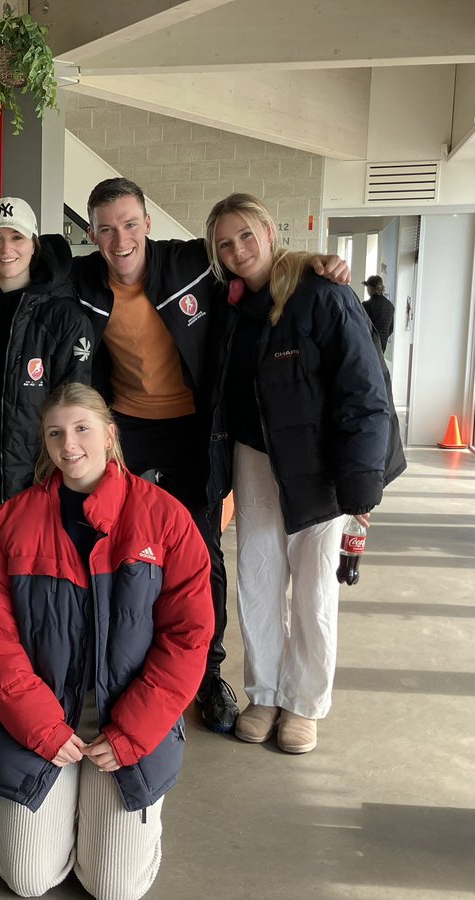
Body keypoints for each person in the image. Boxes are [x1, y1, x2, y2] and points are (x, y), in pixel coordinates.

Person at [71, 178, 353, 735]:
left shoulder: (191, 263)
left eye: (129, 225)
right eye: (105, 229)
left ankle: (207, 673)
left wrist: (312, 260)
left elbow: (256, 260)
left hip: (194, 429)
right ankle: (119, 665)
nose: (120, 240)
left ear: (148, 223)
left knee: (200, 551)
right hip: (124, 433)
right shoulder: (81, 278)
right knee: (117, 547)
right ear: (93, 234)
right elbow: (34, 264)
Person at [0, 383, 213, 900]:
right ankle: (47, 814)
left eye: (82, 428)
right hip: (38, 720)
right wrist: (41, 727)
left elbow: (188, 637)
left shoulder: (167, 519)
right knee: (28, 878)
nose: (69, 444)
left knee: (113, 887)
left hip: (126, 724)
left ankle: (119, 818)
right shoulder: (8, 523)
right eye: (55, 433)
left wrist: (132, 734)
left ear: (110, 434)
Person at [205, 192, 404, 754]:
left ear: (270, 232)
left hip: (318, 462)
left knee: (314, 587)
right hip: (254, 458)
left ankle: (304, 703)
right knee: (259, 578)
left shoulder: (323, 294)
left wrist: (361, 479)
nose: (238, 250)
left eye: (247, 235)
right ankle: (266, 692)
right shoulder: (231, 304)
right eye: (225, 243)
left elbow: (364, 388)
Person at [0, 195, 95, 716]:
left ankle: (27, 675)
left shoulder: (62, 316)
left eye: (16, 238)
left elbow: (75, 406)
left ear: (33, 244)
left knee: (24, 578)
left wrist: (64, 475)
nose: (6, 248)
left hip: (28, 473)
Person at [362, 274, 396, 352]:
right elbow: (391, 329)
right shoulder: (390, 306)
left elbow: (361, 326)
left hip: (368, 345)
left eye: (367, 287)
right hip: (382, 346)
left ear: (370, 288)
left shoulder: (366, 305)